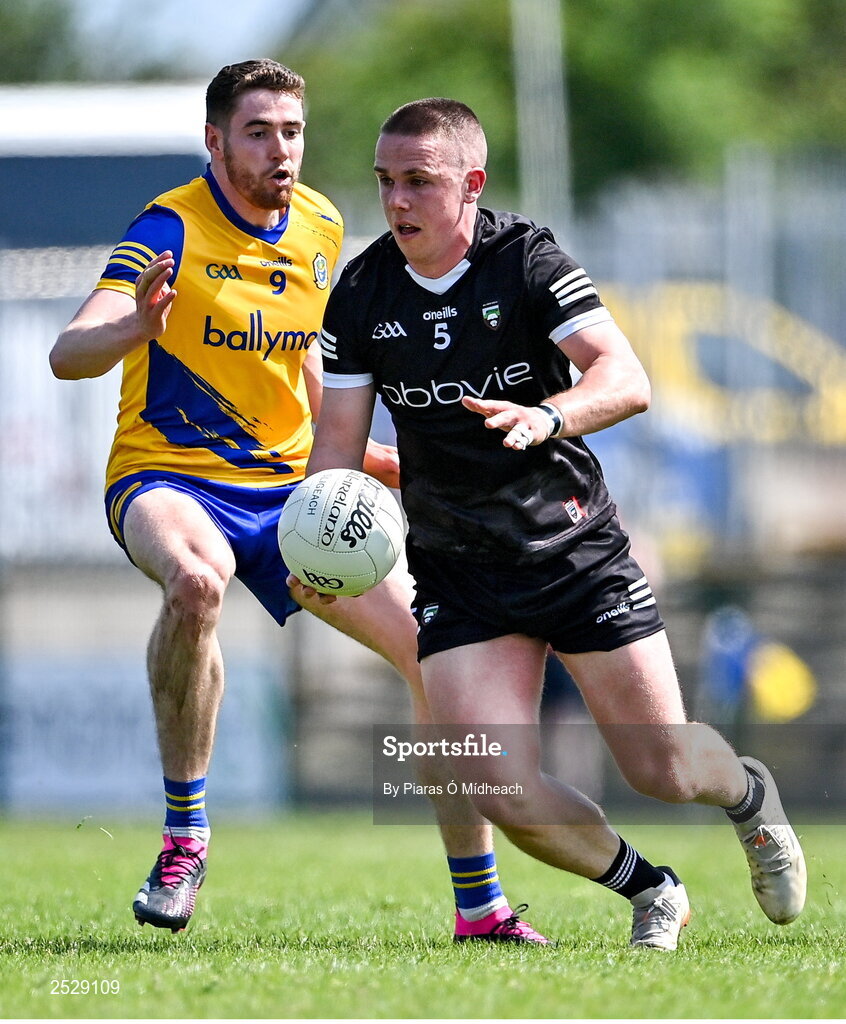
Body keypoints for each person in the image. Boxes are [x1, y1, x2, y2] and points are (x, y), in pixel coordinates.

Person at [49, 61, 547, 945]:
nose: (281, 148)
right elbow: (69, 350)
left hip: (293, 491)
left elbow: (311, 366)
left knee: (433, 652)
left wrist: (366, 458)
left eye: (292, 130)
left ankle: (480, 907)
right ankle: (185, 837)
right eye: (258, 131)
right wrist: (135, 326)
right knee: (195, 585)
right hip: (168, 476)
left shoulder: (321, 226)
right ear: (215, 142)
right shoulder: (166, 226)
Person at [305, 97, 807, 951]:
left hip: (572, 549)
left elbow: (627, 375)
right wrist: (316, 537)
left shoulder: (525, 260)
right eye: (387, 182)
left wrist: (550, 417)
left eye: (419, 182)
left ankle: (747, 794)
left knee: (665, 768)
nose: (397, 201)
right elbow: (338, 450)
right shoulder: (360, 293)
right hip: (459, 567)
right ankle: (652, 888)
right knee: (494, 781)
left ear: (472, 183)